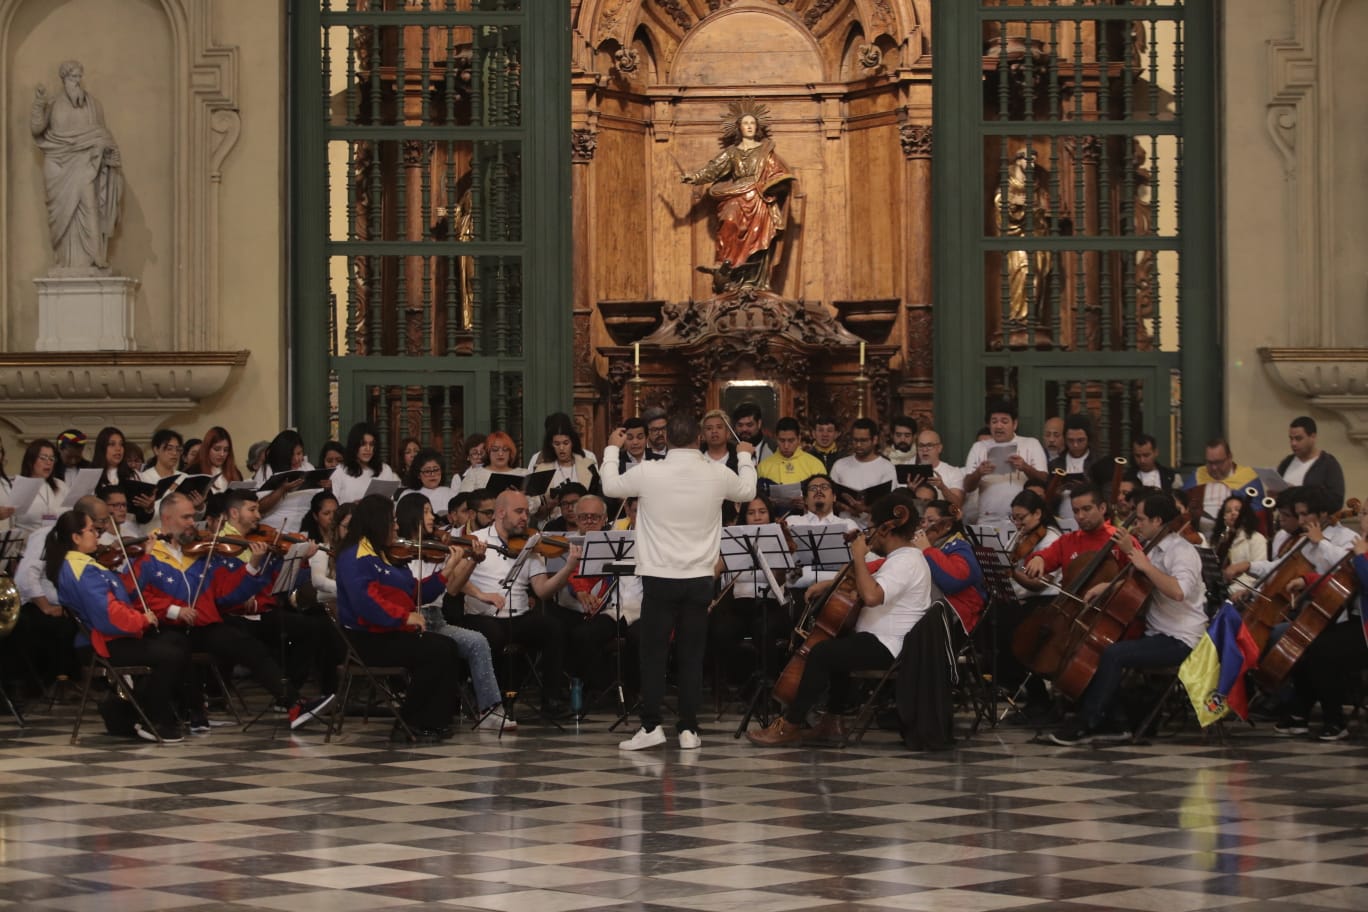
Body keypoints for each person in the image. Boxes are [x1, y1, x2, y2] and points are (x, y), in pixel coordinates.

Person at [604, 413, 756, 751]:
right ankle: (689, 728)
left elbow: (610, 487)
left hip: (659, 576)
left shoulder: (650, 471)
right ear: (699, 438)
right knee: (691, 654)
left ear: (666, 440)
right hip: (700, 577)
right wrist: (744, 454)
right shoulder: (716, 472)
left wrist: (613, 449)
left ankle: (651, 726)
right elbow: (747, 491)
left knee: (654, 655)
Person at [134, 492, 332, 731]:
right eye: (186, 517)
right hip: (167, 626)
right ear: (166, 517)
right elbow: (137, 596)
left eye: (192, 517)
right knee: (177, 648)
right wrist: (175, 611)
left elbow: (228, 594)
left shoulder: (199, 552)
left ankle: (293, 704)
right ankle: (189, 712)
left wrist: (253, 565)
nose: (192, 523)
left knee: (246, 644)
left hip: (202, 623)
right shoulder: (147, 552)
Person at [747, 490, 932, 746]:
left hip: (890, 644)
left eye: (871, 528)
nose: (868, 535)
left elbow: (872, 597)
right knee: (838, 646)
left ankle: (790, 725)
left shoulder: (906, 561)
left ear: (886, 530)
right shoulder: (898, 559)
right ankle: (831, 723)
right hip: (877, 638)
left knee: (822, 653)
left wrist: (857, 556)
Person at [1049, 492, 1207, 745]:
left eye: (1142, 519)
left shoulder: (1182, 551)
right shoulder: (1153, 548)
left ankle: (1090, 722)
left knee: (1114, 654)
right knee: (1100, 645)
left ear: (1157, 520)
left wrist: (1143, 564)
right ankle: (1113, 720)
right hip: (1157, 631)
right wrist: (1108, 586)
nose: (1137, 524)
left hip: (1181, 638)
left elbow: (1178, 591)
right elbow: (1140, 581)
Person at [335, 494, 470, 740]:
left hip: (388, 632)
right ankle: (411, 722)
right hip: (367, 639)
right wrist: (403, 618)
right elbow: (365, 602)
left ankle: (436, 719)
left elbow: (415, 593)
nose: (396, 526)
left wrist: (447, 570)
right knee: (435, 651)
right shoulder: (355, 555)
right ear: (377, 522)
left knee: (448, 647)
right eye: (392, 520)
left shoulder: (387, 554)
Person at [47, 509, 189, 742]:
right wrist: (142, 620)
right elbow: (107, 615)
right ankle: (152, 719)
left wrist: (145, 557)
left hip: (109, 637)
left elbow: (125, 592)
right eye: (92, 530)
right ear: (76, 538)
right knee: (170, 655)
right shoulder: (81, 569)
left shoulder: (85, 564)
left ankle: (124, 712)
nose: (97, 535)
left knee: (176, 643)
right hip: (100, 643)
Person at [392, 495, 510, 732]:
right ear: (411, 515)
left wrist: (472, 561)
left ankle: (490, 709)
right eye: (426, 511)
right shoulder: (396, 552)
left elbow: (454, 587)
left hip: (437, 619)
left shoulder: (439, 550)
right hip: (408, 622)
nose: (432, 517)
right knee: (440, 650)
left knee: (477, 641)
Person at [461, 490, 577, 716]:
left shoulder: (531, 546)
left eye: (527, 511)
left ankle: (551, 701)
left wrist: (568, 568)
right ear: (501, 513)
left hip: (519, 616)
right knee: (492, 635)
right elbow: (456, 581)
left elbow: (543, 591)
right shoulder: (477, 541)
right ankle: (489, 701)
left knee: (553, 628)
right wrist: (480, 594)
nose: (525, 517)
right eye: (519, 511)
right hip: (483, 616)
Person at [1275, 505, 1368, 741]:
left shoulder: (1361, 549)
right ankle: (1300, 713)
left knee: (1322, 650)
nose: (1360, 518)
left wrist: (1360, 556)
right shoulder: (1363, 545)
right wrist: (1307, 579)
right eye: (1362, 512)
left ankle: (1334, 720)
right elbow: (1343, 578)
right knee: (1307, 642)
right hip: (1358, 623)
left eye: (1366, 513)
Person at [681, 100, 794, 293]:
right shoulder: (732, 153)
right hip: (735, 196)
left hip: (759, 200)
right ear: (739, 128)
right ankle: (731, 276)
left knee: (760, 240)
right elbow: (713, 169)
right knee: (728, 221)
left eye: (752, 123)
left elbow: (779, 174)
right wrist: (695, 177)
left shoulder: (766, 152)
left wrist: (776, 185)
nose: (749, 126)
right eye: (745, 123)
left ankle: (754, 281)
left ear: (757, 127)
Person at [545, 495, 643, 702]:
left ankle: (634, 691)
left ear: (605, 518)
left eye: (595, 517)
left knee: (640, 637)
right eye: (584, 517)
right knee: (583, 635)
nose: (589, 521)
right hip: (603, 610)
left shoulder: (626, 540)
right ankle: (602, 688)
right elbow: (576, 575)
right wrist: (581, 591)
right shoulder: (578, 543)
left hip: (635, 609)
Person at [30, 60, 122, 271]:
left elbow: (102, 134)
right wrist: (38, 103)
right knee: (62, 215)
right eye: (73, 77)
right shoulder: (52, 104)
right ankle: (64, 261)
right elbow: (37, 130)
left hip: (85, 166)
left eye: (79, 76)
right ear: (64, 79)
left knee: (89, 207)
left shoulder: (93, 105)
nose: (77, 81)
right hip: (57, 166)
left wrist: (107, 151)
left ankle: (96, 258)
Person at [708, 497, 791, 688]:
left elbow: (780, 581)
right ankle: (736, 683)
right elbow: (716, 571)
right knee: (721, 630)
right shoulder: (734, 539)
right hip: (739, 604)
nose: (757, 517)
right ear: (744, 516)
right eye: (751, 513)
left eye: (762, 512)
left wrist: (780, 552)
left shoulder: (777, 538)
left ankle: (768, 685)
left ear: (769, 514)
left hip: (770, 604)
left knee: (764, 629)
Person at [963, 398, 1048, 527]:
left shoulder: (1031, 443)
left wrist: (1025, 467)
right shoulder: (979, 447)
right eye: (994, 421)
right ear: (989, 425)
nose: (998, 426)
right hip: (987, 519)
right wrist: (978, 473)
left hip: (1022, 520)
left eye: (1004, 421)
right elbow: (967, 487)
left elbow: (1044, 480)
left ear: (1014, 424)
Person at [913, 500, 986, 635]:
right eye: (924, 521)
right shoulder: (932, 545)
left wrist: (927, 550)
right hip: (935, 612)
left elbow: (953, 582)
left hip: (958, 616)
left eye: (931, 520)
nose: (924, 527)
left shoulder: (961, 547)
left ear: (947, 525)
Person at [1184, 438, 1266, 538]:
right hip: (1199, 537)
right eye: (1210, 463)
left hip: (1237, 538)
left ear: (1230, 457)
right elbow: (1182, 509)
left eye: (1218, 462)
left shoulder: (1248, 478)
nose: (1214, 468)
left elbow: (1258, 516)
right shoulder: (1197, 476)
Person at [830, 418, 898, 522]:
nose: (858, 445)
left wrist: (865, 509)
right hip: (844, 527)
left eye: (863, 441)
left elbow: (889, 504)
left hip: (873, 527)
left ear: (874, 440)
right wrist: (846, 507)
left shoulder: (887, 467)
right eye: (855, 440)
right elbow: (830, 499)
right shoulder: (840, 465)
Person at [756, 417, 826, 510]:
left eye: (791, 440)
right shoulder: (764, 466)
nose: (786, 446)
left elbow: (826, 498)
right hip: (776, 520)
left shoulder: (815, 465)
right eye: (782, 440)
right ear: (776, 439)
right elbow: (756, 500)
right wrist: (767, 503)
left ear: (799, 439)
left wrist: (808, 504)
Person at [1277, 416, 1345, 508]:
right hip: (1285, 520)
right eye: (1291, 439)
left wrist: (1297, 492)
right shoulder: (1287, 462)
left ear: (1313, 437)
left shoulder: (1328, 463)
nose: (1293, 443)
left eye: (1298, 439)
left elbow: (1337, 501)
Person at [330, 422, 400, 504]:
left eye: (371, 444)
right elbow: (332, 505)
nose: (368, 449)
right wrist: (352, 506)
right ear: (354, 445)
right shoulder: (340, 471)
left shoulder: (384, 469)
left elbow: (389, 502)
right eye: (363, 444)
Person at [1213, 494, 1268, 598]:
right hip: (1218, 590)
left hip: (1241, 595)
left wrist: (1229, 591)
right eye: (1228, 511)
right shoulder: (1219, 539)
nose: (1233, 513)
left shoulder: (1257, 539)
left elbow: (1255, 576)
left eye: (1237, 510)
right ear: (1223, 517)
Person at [13, 439, 69, 535]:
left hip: (56, 542)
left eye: (52, 459)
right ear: (30, 460)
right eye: (43, 458)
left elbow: (71, 512)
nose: (48, 462)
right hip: (26, 544)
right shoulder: (17, 486)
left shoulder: (60, 485)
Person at [913, 429, 966, 511]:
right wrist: (911, 491)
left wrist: (942, 487)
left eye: (929, 445)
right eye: (921, 445)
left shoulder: (954, 472)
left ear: (939, 448)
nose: (924, 449)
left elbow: (958, 505)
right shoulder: (910, 471)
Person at [186, 426, 243, 494]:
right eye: (217, 449)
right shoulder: (194, 472)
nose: (222, 454)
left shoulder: (234, 472)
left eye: (226, 450)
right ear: (207, 449)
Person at [403, 448, 454, 516]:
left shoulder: (451, 494)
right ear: (418, 474)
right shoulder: (407, 495)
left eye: (436, 470)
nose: (432, 475)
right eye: (427, 471)